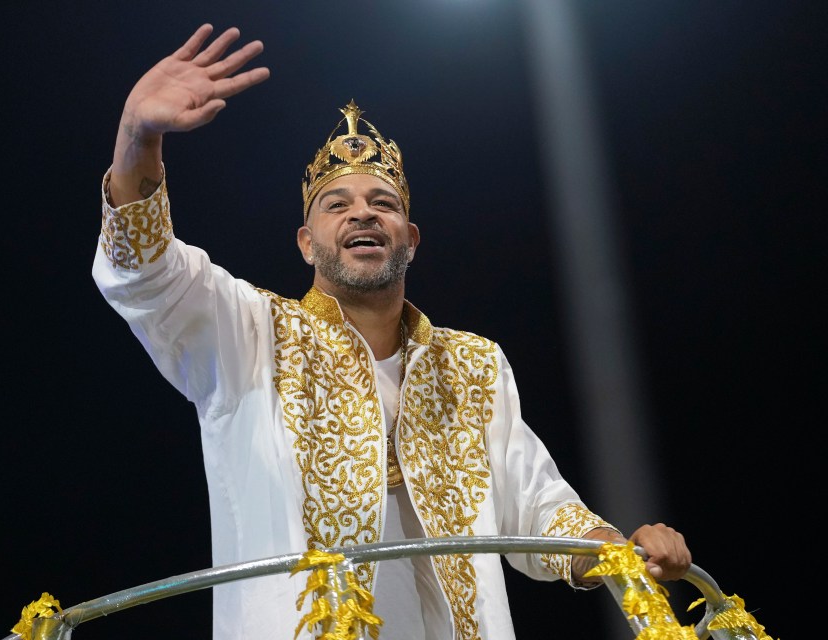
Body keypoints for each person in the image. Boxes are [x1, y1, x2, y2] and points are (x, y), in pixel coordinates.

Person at [92, 23, 691, 640]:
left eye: (383, 202)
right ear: (306, 243)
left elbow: (537, 507)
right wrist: (139, 137)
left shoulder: (474, 365)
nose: (362, 213)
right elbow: (145, 273)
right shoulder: (248, 332)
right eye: (336, 203)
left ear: (410, 237)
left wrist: (623, 547)